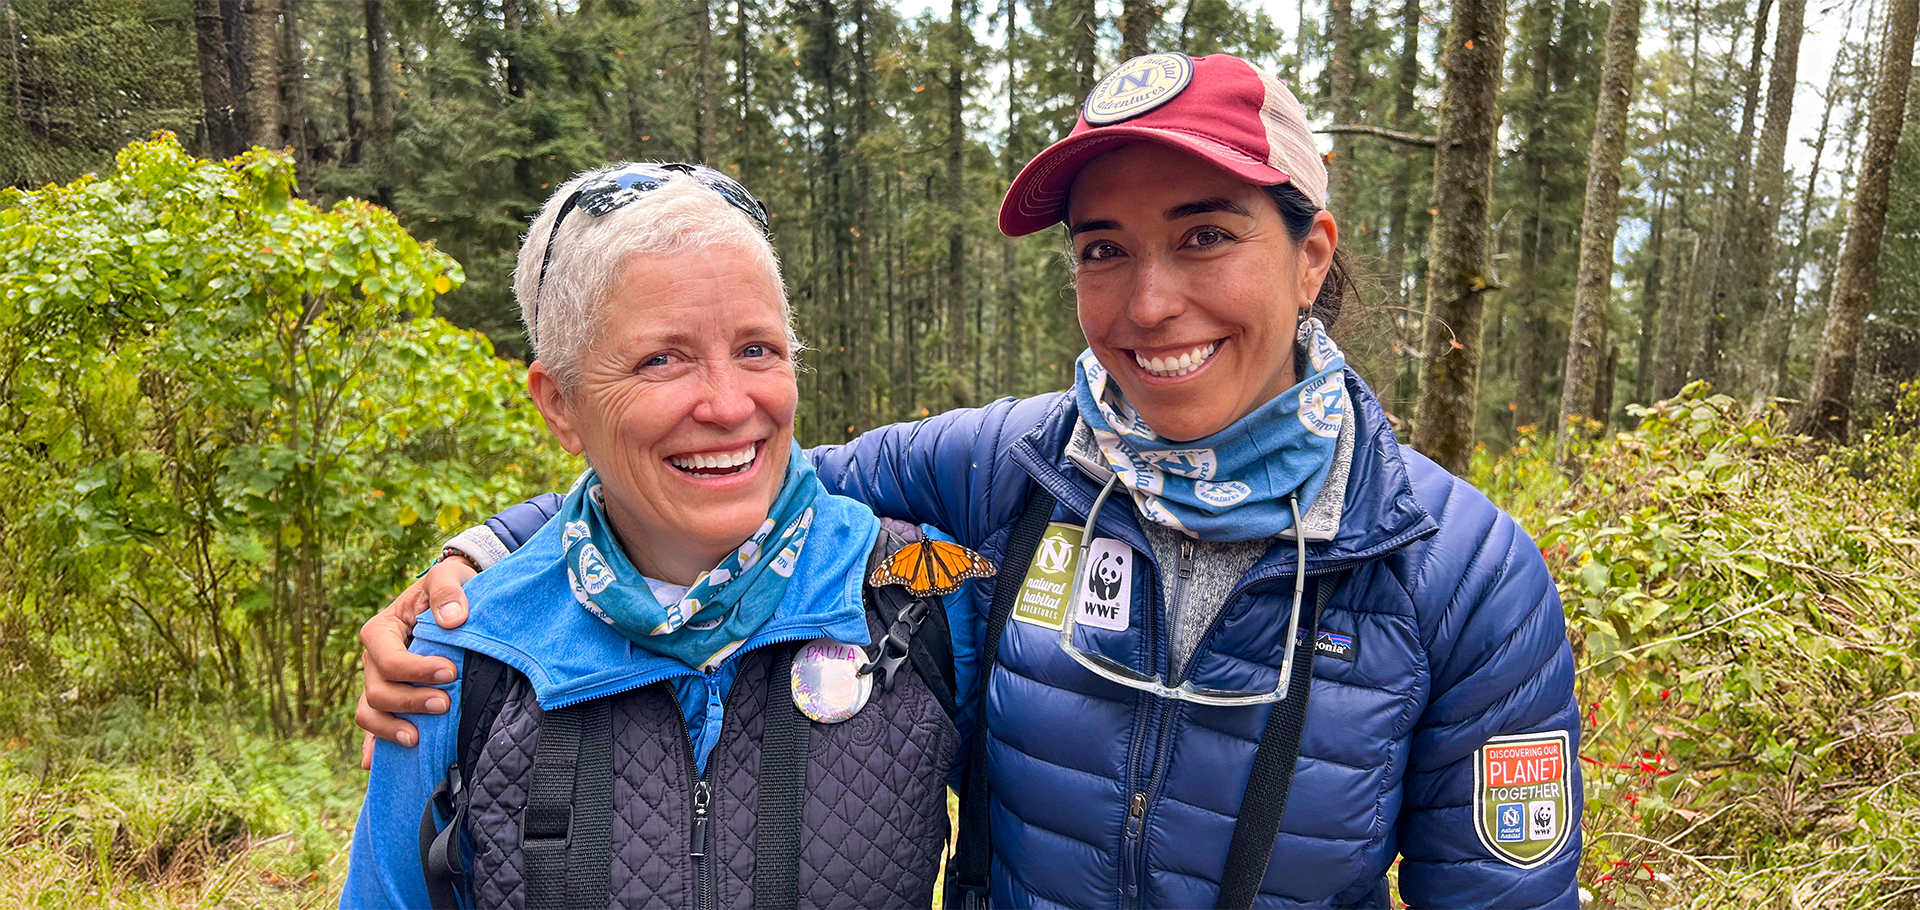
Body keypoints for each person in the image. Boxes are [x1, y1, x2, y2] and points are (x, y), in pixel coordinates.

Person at [359, 53, 1583, 908]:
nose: (1151, 301)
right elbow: (740, 484)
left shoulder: (1459, 576)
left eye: (1206, 235)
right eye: (1104, 249)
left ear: (1311, 254)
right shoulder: (1016, 471)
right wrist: (486, 561)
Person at [341, 164, 967, 909]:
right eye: (660, 360)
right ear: (561, 404)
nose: (728, 405)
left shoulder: (920, 601)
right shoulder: (462, 658)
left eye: (757, 349)